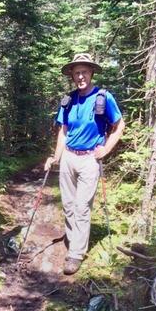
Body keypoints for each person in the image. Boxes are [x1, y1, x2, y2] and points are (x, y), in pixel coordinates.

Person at [44, 53, 125, 275]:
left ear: (91, 73)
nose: (80, 76)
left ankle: (76, 254)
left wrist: (106, 149)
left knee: (81, 207)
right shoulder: (68, 100)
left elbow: (119, 125)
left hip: (90, 159)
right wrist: (56, 156)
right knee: (69, 205)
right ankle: (72, 239)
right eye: (76, 72)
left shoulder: (103, 97)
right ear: (72, 75)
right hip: (69, 157)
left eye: (84, 72)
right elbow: (63, 130)